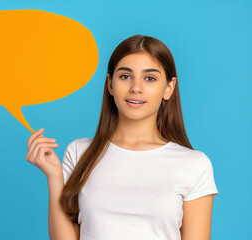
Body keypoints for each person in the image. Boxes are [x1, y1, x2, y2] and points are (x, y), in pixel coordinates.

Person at [25, 34, 219, 240]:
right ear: (110, 84)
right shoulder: (79, 152)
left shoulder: (194, 164)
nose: (136, 88)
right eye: (125, 76)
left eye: (150, 78)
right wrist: (54, 177)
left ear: (168, 88)